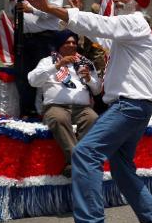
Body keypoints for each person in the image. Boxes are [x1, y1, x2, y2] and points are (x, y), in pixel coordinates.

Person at [25, 0, 152, 223]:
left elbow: (101, 23)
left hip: (130, 105)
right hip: (135, 105)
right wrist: (73, 14)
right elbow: (101, 33)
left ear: (137, 1)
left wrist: (51, 9)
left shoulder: (135, 21)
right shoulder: (127, 33)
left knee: (85, 154)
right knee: (121, 168)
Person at [27, 31, 102, 177]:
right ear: (59, 45)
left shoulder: (86, 63)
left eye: (74, 42)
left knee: (93, 118)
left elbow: (98, 90)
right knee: (59, 119)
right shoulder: (47, 61)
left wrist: (89, 80)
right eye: (67, 42)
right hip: (56, 107)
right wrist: (57, 65)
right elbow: (32, 80)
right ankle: (79, 162)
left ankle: (73, 164)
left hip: (82, 108)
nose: (72, 45)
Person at [15, 0, 64, 117]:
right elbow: (15, 12)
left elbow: (55, 10)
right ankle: (27, 111)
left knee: (47, 74)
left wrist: (33, 10)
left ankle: (49, 111)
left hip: (46, 39)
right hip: (25, 39)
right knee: (25, 76)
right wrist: (13, 1)